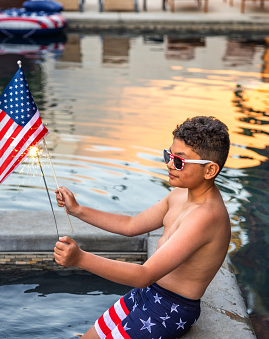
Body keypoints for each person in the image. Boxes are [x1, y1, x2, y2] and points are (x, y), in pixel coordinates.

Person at [54, 116, 231, 339]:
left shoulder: (206, 216)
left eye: (179, 161)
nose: (169, 164)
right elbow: (131, 225)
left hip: (171, 309)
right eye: (169, 155)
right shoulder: (179, 195)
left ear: (209, 170)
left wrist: (80, 259)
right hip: (148, 293)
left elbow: (144, 274)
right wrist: (78, 210)